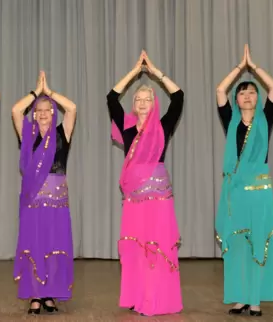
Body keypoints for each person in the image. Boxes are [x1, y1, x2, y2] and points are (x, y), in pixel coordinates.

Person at [107, 51, 184, 316]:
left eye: (147, 99)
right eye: (137, 99)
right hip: (134, 200)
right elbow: (111, 97)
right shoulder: (127, 127)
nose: (142, 103)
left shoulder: (162, 126)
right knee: (136, 246)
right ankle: (138, 295)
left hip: (159, 200)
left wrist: (153, 72)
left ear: (154, 103)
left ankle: (155, 299)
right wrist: (133, 72)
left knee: (157, 246)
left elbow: (179, 97)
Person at [215, 44, 273, 317]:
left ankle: (255, 300)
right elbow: (220, 91)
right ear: (237, 100)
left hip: (259, 192)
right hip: (235, 192)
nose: (248, 95)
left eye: (253, 92)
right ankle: (240, 298)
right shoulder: (230, 120)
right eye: (243, 92)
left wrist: (254, 67)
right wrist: (240, 69)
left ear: (258, 98)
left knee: (258, 243)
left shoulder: (266, 119)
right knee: (237, 246)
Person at [11, 71, 77, 315]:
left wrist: (48, 93)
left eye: (47, 109)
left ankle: (50, 293)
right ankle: (35, 296)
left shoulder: (62, 134)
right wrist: (35, 94)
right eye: (38, 110)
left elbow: (72, 108)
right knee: (34, 243)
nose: (42, 113)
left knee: (54, 243)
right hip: (33, 201)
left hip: (58, 202)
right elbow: (16, 111)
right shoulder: (27, 136)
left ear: (53, 113)